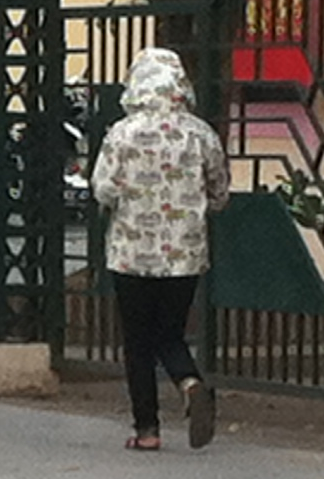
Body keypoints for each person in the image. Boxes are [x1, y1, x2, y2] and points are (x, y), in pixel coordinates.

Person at [90, 45, 229, 450]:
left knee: (137, 339)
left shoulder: (122, 133)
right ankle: (189, 382)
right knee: (169, 332)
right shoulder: (200, 133)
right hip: (184, 255)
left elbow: (103, 188)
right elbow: (219, 193)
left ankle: (147, 430)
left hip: (131, 255)